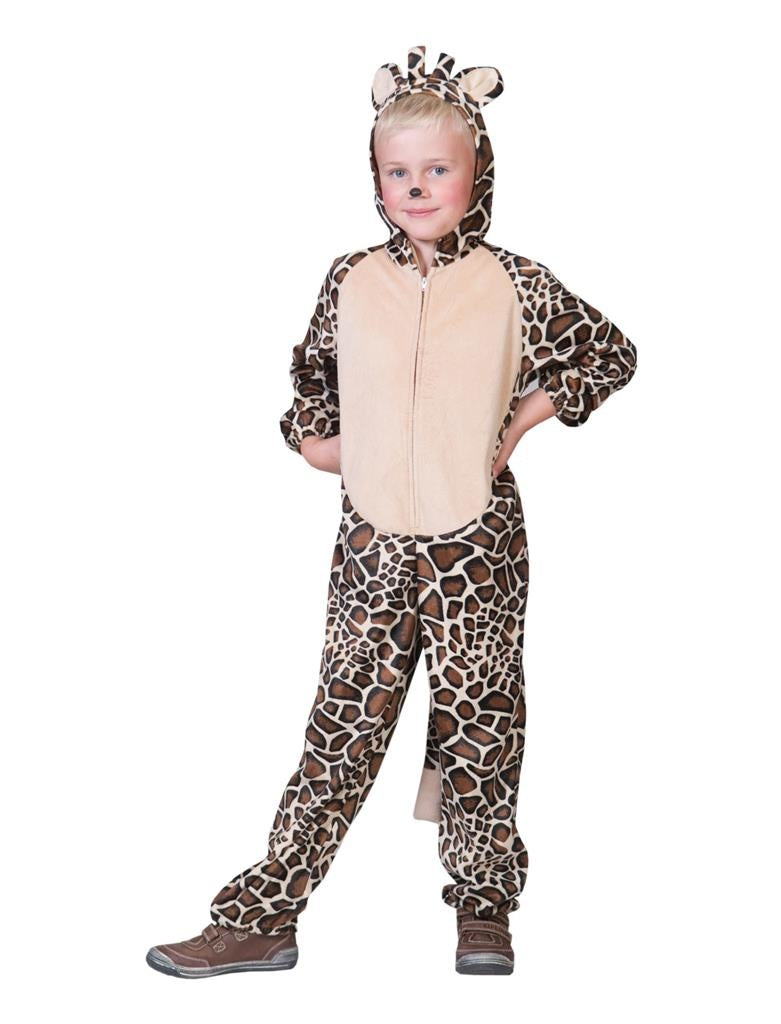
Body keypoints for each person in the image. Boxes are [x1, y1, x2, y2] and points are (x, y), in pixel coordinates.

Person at [146, 43, 638, 979]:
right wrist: (322, 445)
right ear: (375, 179)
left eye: (436, 170)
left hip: (477, 541)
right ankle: (263, 918)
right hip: (371, 541)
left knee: (481, 720)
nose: (416, 187)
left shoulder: (515, 283)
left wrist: (520, 421)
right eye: (397, 171)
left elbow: (608, 353)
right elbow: (312, 382)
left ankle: (483, 908)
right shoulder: (349, 279)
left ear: (476, 173)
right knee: (339, 727)